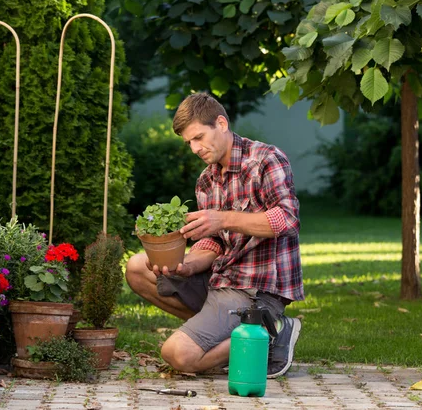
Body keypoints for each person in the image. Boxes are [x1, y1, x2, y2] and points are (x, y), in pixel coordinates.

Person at [126, 92, 304, 377]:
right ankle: (234, 334)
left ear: (221, 123)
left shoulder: (266, 160)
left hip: (255, 288)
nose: (194, 148)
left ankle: (270, 334)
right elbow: (214, 242)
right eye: (189, 143)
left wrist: (223, 218)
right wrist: (188, 265)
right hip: (220, 280)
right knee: (136, 267)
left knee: (177, 354)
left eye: (198, 138)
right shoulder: (207, 180)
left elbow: (287, 220)